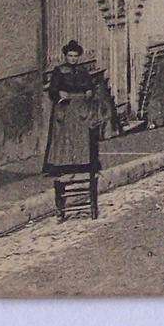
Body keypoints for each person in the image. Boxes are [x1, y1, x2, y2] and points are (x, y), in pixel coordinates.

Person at [43, 41, 113, 217]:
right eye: (70, 56)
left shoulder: (83, 71)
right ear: (65, 56)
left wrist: (89, 91)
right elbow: (52, 89)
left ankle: (83, 163)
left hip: (81, 108)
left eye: (75, 56)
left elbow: (90, 85)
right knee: (65, 137)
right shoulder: (59, 71)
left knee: (82, 136)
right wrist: (59, 94)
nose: (73, 59)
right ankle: (64, 164)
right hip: (66, 109)